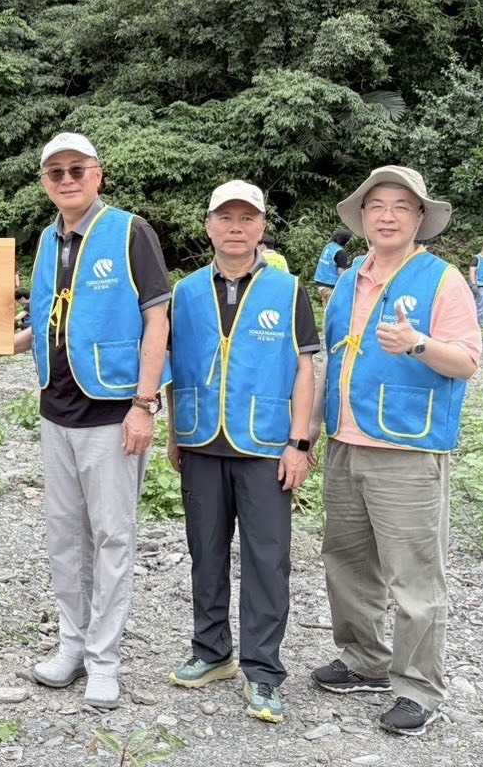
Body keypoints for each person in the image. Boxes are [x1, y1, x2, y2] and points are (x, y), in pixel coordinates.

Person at [310, 166, 480, 736]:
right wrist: (308, 433)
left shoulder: (442, 280)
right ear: (362, 217)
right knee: (348, 563)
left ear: (419, 220)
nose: (387, 215)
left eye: (401, 207)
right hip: (345, 444)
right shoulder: (348, 278)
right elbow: (331, 361)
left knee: (413, 577)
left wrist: (419, 343)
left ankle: (418, 689)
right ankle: (364, 661)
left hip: (407, 449)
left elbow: (467, 361)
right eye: (376, 205)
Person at [13, 132, 170, 709]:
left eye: (77, 169)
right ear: (46, 184)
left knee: (112, 535)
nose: (67, 179)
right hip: (56, 409)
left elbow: (158, 320)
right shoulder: (47, 241)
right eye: (55, 173)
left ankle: (106, 659)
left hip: (112, 412)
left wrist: (144, 404)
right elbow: (50, 317)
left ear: (98, 175)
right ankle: (72, 644)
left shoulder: (131, 232)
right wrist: (3, 344)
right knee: (65, 537)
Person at [165, 181, 318, 724]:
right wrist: (173, 434)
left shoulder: (288, 288)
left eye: (246, 217)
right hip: (202, 439)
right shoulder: (183, 291)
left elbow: (306, 366)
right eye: (224, 217)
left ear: (261, 227)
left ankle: (264, 671)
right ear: (207, 226)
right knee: (204, 551)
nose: (235, 226)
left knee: (266, 560)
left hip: (265, 445)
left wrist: (300, 442)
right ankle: (211, 653)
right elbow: (172, 365)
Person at [313, 230, 354, 302]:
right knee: (335, 311)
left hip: (320, 285)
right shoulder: (340, 252)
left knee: (327, 311)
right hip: (331, 286)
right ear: (345, 241)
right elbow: (341, 273)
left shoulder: (328, 246)